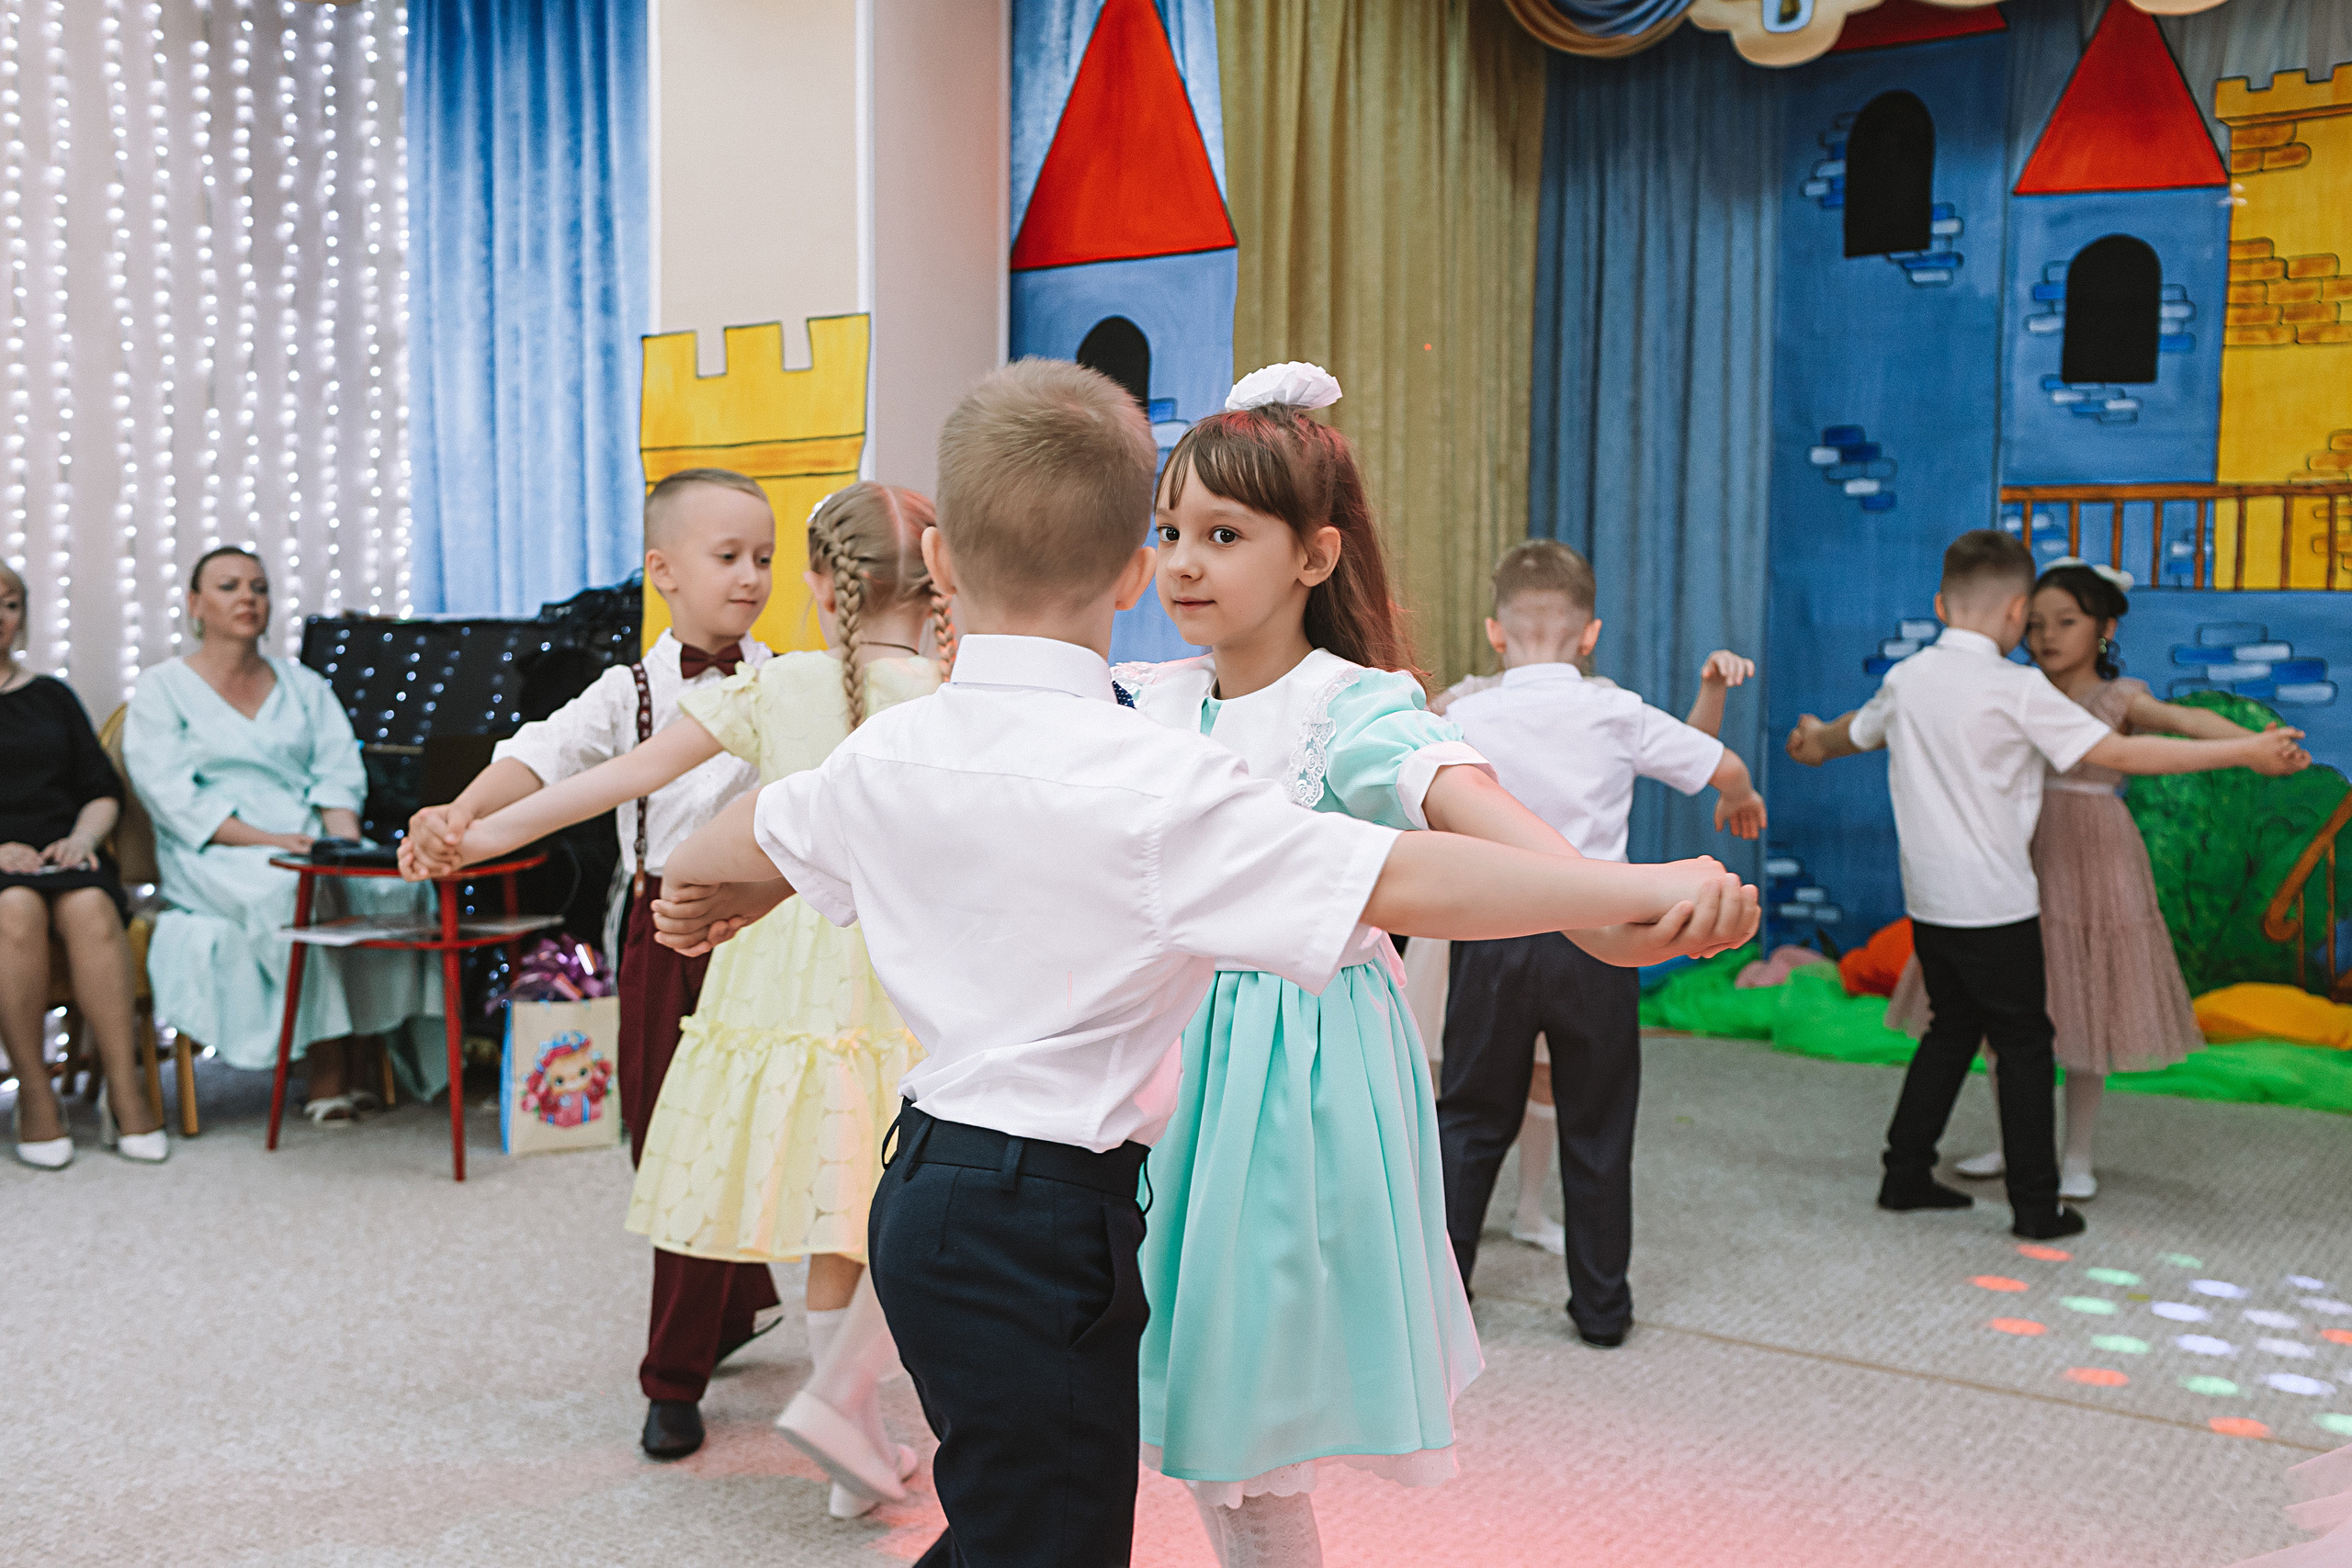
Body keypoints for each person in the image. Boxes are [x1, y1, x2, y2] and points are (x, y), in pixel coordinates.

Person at [646, 357, 1758, 1567]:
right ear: (1129, 565)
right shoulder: (1139, 728)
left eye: (1222, 532)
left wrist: (1593, 902)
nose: (1184, 561)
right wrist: (1606, 894)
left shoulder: (1327, 705)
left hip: (1212, 1113)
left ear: (1315, 557)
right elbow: (1396, 876)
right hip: (1113, 1127)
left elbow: (1449, 811)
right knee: (1048, 1486)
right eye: (1169, 531)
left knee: (1153, 1455)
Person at [415, 482, 949, 1516]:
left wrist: (473, 841)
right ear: (940, 585)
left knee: (813, 1185)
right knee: (877, 1200)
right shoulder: (948, 699)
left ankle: (848, 1421)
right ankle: (835, 1395)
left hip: (762, 967)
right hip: (887, 969)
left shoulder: (779, 685)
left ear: (814, 584)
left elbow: (608, 781)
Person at [401, 467, 780, 1461]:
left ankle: (675, 1375)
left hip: (760, 932)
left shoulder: (784, 678)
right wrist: (462, 813)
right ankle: (735, 1299)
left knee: (719, 1141)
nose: (750, 578)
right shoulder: (631, 692)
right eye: (728, 556)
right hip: (657, 930)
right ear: (664, 571)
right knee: (657, 1138)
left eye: (765, 559)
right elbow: (541, 754)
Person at [1786, 530, 2308, 1240]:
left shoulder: (1908, 679)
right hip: (1997, 903)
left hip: (1931, 904)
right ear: (2015, 612)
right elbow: (2122, 751)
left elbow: (1854, 732)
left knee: (1950, 1031)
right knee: (2027, 1042)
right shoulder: (2017, 687)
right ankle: (2036, 1204)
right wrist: (2245, 748)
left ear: (1942, 602)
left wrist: (1815, 739)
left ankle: (1904, 1172)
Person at [1437, 539, 1767, 1351]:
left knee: (1470, 1125)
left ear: (1495, 632)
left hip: (1493, 938)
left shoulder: (1462, 714)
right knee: (1598, 1125)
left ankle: (1442, 1308)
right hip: (1600, 945)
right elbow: (1717, 765)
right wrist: (1742, 796)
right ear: (1590, 635)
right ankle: (1601, 1309)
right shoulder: (1614, 709)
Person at [1885, 559, 2266, 1202]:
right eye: (2034, 624)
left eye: (2066, 622)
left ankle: (2077, 1152)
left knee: (2090, 1003)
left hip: (2093, 853)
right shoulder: (2012, 688)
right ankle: (2016, 1143)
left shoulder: (2121, 697)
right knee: (2010, 1009)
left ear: (2105, 628)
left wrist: (2260, 742)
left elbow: (2183, 723)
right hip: (2020, 850)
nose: (2048, 637)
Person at [124, 547, 441, 1121]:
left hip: (309, 839)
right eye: (229, 586)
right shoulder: (160, 690)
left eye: (259, 587)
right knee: (289, 894)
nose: (248, 597)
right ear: (196, 605)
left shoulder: (305, 686)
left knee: (400, 888)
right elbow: (173, 796)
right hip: (217, 851)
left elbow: (337, 775)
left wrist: (347, 853)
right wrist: (272, 843)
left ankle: (382, 1049)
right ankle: (326, 1069)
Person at [0, 563, 167, 1168]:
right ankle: (36, 1094)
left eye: (11, 603)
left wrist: (81, 837)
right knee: (14, 906)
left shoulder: (51, 697)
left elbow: (100, 787)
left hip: (64, 855)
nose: (1, 615)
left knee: (93, 903)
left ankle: (124, 1089)